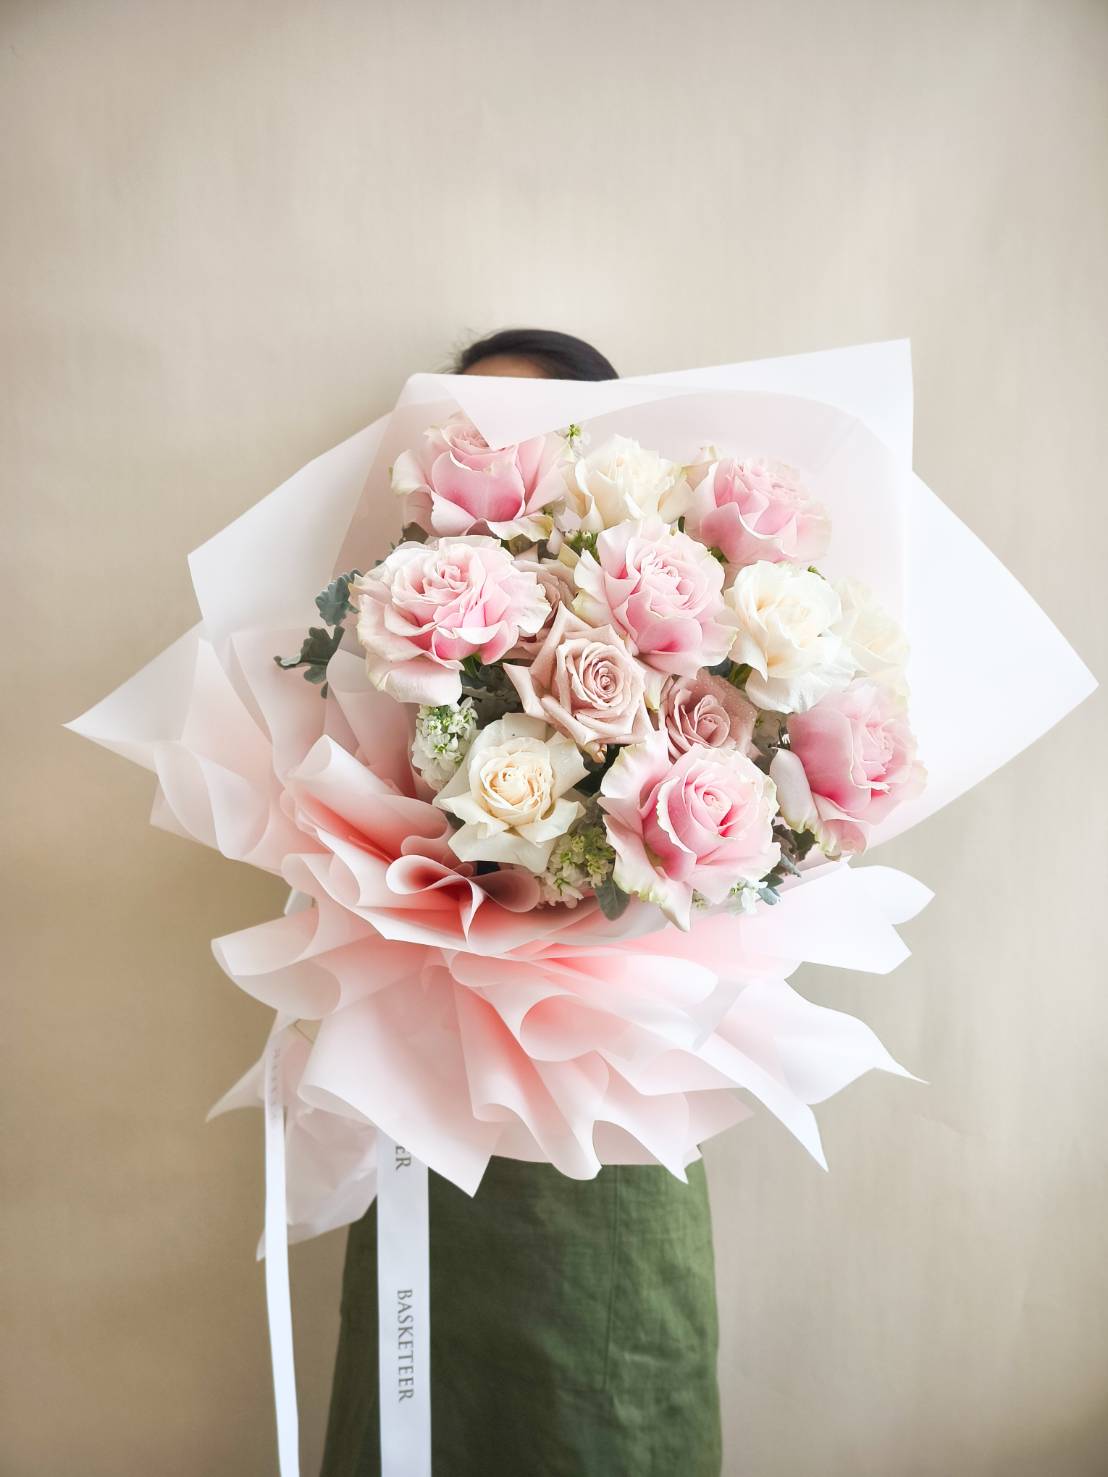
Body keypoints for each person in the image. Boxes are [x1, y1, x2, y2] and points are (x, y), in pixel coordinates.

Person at [319, 329, 722, 1477]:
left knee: (611, 1404)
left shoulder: (691, 644)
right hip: (433, 1098)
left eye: (523, 433)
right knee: (416, 1406)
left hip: (616, 1116)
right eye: (467, 428)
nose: (488, 454)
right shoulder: (378, 634)